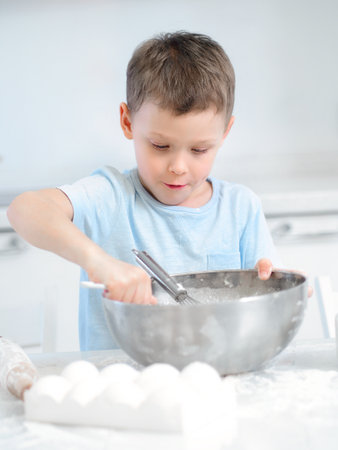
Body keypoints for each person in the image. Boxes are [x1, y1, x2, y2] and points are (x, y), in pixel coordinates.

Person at [7, 31, 283, 351]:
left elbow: (263, 307)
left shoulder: (241, 209)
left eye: (199, 150)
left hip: (216, 387)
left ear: (225, 133)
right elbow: (24, 209)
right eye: (160, 145)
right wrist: (99, 263)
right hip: (119, 390)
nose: (178, 166)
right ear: (127, 122)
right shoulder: (111, 197)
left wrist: (280, 289)